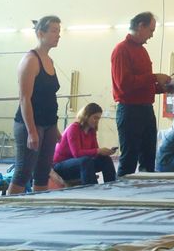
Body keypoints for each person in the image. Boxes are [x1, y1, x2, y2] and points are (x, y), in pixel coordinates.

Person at [111, 11, 174, 177]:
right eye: (151, 30)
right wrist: (155, 77)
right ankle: (122, 197)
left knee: (148, 156)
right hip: (129, 110)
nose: (152, 35)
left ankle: (147, 194)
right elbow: (124, 84)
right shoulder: (121, 50)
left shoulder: (142, 51)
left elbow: (142, 85)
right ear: (141, 26)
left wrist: (163, 88)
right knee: (129, 158)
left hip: (146, 109)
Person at [8, 16, 61, 194]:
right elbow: (24, 98)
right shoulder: (31, 60)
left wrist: (55, 128)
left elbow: (49, 96)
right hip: (30, 124)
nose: (58, 35)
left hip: (49, 123)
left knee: (43, 172)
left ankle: (37, 209)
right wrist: (31, 131)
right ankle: (8, 210)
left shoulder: (50, 61)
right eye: (54, 31)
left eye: (59, 31)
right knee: (23, 172)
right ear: (41, 33)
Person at [52, 103, 117, 186]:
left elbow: (95, 151)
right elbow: (77, 153)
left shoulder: (91, 131)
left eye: (98, 118)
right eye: (95, 118)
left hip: (80, 163)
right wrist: (98, 151)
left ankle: (112, 185)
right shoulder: (74, 128)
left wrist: (105, 152)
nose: (97, 121)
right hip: (61, 165)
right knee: (85, 161)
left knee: (105, 159)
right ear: (86, 116)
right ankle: (92, 190)